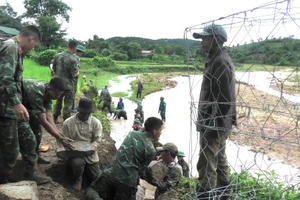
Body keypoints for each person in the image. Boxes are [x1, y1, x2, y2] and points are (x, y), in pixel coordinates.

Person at [193, 24, 236, 199]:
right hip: (217, 123)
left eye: (205, 38)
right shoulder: (216, 58)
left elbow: (224, 101)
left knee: (207, 162)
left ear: (217, 40)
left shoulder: (220, 61)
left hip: (214, 124)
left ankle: (206, 196)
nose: (201, 42)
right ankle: (224, 194)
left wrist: (212, 127)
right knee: (219, 160)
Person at [85, 117, 164, 200]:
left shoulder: (132, 134)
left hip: (111, 172)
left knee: (91, 191)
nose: (161, 133)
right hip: (128, 182)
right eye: (160, 130)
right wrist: (152, 180)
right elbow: (141, 171)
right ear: (154, 132)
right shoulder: (151, 150)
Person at [0, 25, 41, 184]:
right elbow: (5, 79)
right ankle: (3, 183)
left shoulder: (17, 50)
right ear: (31, 39)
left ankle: (28, 172)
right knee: (10, 152)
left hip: (11, 108)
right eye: (34, 45)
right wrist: (17, 103)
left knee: (28, 139)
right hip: (5, 109)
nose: (33, 48)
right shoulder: (10, 47)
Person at [20, 77, 74, 165]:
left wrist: (58, 134)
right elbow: (43, 121)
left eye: (60, 95)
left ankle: (36, 155)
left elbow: (48, 115)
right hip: (12, 104)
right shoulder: (37, 91)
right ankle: (28, 162)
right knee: (29, 137)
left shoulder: (48, 92)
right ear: (50, 89)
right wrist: (60, 138)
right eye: (57, 94)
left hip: (27, 105)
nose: (58, 97)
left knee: (37, 132)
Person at [62, 97, 102, 191]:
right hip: (74, 153)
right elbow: (64, 140)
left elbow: (97, 140)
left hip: (90, 153)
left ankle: (92, 187)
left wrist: (91, 148)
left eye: (88, 113)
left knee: (98, 178)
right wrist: (70, 147)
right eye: (83, 112)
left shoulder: (96, 123)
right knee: (77, 163)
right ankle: (78, 179)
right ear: (78, 110)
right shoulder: (68, 123)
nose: (85, 115)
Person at [52, 40, 79, 123]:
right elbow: (74, 74)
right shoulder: (73, 59)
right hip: (69, 85)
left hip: (58, 83)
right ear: (74, 48)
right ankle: (66, 120)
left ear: (68, 46)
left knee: (58, 101)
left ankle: (55, 118)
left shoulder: (57, 56)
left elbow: (53, 69)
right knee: (68, 103)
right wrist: (78, 73)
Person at [72, 44, 85, 112]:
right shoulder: (76, 58)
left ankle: (71, 107)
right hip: (73, 79)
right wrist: (77, 73)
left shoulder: (71, 56)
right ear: (79, 52)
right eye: (82, 53)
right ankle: (72, 108)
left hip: (68, 78)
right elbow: (75, 69)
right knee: (72, 92)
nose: (81, 54)